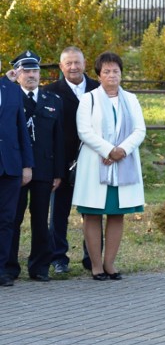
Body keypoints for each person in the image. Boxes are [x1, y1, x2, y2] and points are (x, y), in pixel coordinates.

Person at [72, 52, 146, 280]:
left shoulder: (131, 99)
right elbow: (84, 131)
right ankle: (95, 266)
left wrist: (120, 151)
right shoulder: (89, 98)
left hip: (123, 162)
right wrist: (107, 150)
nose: (112, 75)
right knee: (92, 214)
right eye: (107, 71)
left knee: (117, 214)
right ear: (99, 75)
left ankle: (110, 264)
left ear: (121, 74)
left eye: (115, 71)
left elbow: (139, 130)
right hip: (95, 164)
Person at [7, 51, 63, 282]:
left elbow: (58, 139)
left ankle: (40, 266)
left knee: (40, 219)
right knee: (12, 218)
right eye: (26, 71)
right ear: (17, 74)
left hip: (44, 169)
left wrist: (58, 173)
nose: (31, 75)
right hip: (15, 169)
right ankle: (8, 266)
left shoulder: (52, 101)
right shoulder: (8, 98)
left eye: (35, 71)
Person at [45, 46, 99, 273]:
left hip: (93, 160)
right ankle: (59, 258)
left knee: (92, 213)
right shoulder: (50, 91)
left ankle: (92, 258)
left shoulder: (98, 89)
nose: (73, 67)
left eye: (77, 62)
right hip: (61, 161)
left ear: (85, 64)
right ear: (61, 66)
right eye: (68, 63)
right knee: (58, 213)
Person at [0, 59, 35, 287]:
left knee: (6, 220)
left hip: (10, 165)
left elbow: (21, 128)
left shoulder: (11, 90)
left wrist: (26, 165)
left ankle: (1, 268)